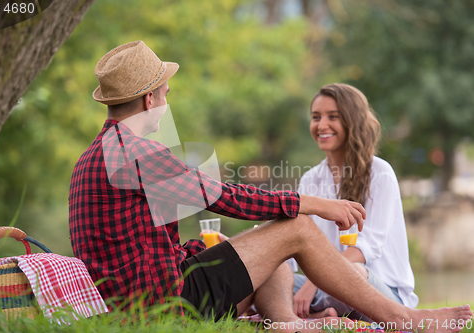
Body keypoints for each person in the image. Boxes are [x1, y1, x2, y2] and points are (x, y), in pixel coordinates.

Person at [68, 41, 471, 332]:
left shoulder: (91, 158)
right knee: (293, 227)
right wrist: (312, 205)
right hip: (165, 305)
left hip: (138, 301)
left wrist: (204, 250)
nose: (167, 97)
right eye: (165, 91)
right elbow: (226, 197)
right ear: (148, 98)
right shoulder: (137, 152)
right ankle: (405, 319)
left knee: (271, 239)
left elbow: (141, 248)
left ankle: (290, 324)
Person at [289, 83, 419, 321]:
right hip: (325, 287)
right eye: (316, 117)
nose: (321, 125)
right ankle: (323, 317)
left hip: (380, 293)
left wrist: (313, 283)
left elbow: (367, 247)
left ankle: (318, 316)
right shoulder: (311, 179)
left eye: (333, 117)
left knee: (353, 274)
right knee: (270, 283)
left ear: (352, 121)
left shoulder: (380, 174)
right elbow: (292, 243)